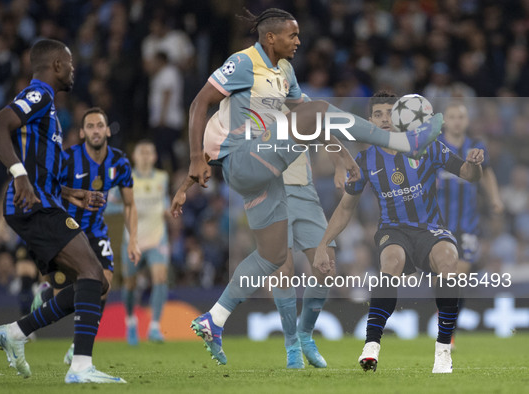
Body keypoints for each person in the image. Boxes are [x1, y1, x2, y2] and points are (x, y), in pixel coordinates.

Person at [178, 8, 442, 365]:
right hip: (244, 159)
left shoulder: (284, 72)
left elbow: (313, 122)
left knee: (270, 256)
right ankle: (402, 143)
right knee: (317, 107)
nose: (299, 41)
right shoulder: (242, 63)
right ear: (270, 37)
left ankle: (215, 318)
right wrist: (196, 158)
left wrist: (343, 158)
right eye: (292, 35)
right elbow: (199, 103)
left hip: (267, 173)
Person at [0, 39, 126, 384]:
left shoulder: (49, 111)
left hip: (45, 202)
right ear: (57, 65)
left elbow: (40, 169)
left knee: (95, 282)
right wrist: (18, 176)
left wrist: (71, 192)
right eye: (71, 63)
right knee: (94, 272)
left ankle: (17, 332)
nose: (74, 69)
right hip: (33, 207)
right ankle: (79, 367)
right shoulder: (39, 96)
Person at [313, 91, 484, 374]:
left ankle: (443, 352)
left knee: (449, 262)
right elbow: (345, 209)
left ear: (403, 116)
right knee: (390, 262)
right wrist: (324, 243)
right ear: (369, 121)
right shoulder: (365, 160)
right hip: (393, 230)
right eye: (377, 114)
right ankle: (371, 346)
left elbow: (467, 173)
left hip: (431, 230)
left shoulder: (428, 147)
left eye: (390, 113)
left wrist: (475, 164)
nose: (384, 119)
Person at [32, 106, 141, 364]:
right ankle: (46, 296)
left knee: (103, 284)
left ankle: (78, 348)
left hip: (95, 230)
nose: (95, 131)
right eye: (90, 126)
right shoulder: (68, 159)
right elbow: (45, 188)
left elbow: (129, 204)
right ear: (82, 132)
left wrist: (133, 239)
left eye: (100, 126)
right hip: (67, 230)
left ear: (107, 130)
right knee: (66, 297)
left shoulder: (120, 162)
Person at [436, 102, 504, 347]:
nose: (456, 121)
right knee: (446, 276)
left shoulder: (476, 146)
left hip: (467, 223)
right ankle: (447, 323)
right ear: (445, 121)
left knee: (457, 277)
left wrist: (495, 198)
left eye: (460, 117)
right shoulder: (436, 145)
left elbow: (488, 173)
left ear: (466, 121)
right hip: (439, 222)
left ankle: (447, 325)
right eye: (452, 116)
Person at [271, 146, 341, 369]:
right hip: (271, 190)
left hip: (304, 190)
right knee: (283, 270)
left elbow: (322, 128)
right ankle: (292, 346)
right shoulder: (253, 111)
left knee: (326, 267)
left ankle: (305, 335)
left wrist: (339, 164)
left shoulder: (301, 109)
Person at [122, 140, 170, 345]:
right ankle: (131, 322)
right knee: (130, 284)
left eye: (148, 152)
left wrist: (168, 209)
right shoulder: (126, 178)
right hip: (133, 239)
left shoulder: (162, 177)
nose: (144, 156)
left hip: (157, 236)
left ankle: (154, 327)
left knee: (160, 277)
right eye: (141, 152)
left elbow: (164, 200)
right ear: (134, 156)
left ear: (154, 157)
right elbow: (114, 203)